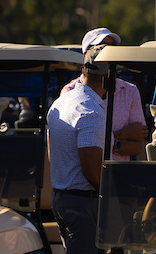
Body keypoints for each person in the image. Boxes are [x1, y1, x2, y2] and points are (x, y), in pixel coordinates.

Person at [44, 57, 108, 254]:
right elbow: (93, 172)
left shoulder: (66, 98)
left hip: (64, 196)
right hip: (83, 201)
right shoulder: (92, 110)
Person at [62, 27, 147, 160]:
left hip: (118, 172)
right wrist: (122, 135)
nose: (109, 51)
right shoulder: (70, 92)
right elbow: (73, 144)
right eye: (101, 47)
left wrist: (98, 141)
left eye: (113, 47)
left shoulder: (130, 91)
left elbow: (136, 147)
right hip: (84, 172)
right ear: (86, 54)